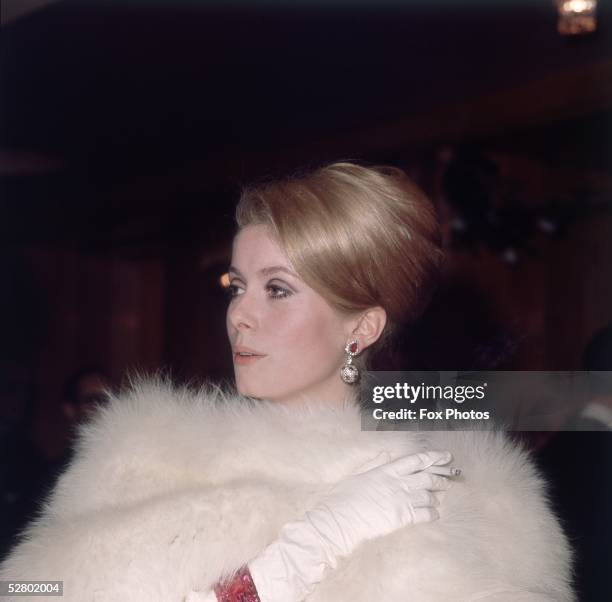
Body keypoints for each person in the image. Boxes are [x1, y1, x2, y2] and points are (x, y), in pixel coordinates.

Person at [0, 162, 574, 601]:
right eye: (237, 285)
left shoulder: (475, 496)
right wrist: (295, 557)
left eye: (277, 289)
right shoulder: (142, 455)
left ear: (362, 326)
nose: (239, 315)